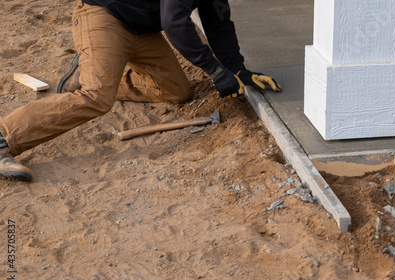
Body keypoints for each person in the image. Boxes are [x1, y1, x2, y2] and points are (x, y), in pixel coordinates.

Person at [0, 0, 281, 182]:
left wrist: (239, 71)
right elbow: (174, 23)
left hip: (142, 31)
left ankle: (89, 75)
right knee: (96, 97)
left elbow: (219, 24)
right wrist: (215, 71)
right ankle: (4, 137)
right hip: (103, 16)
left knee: (177, 90)